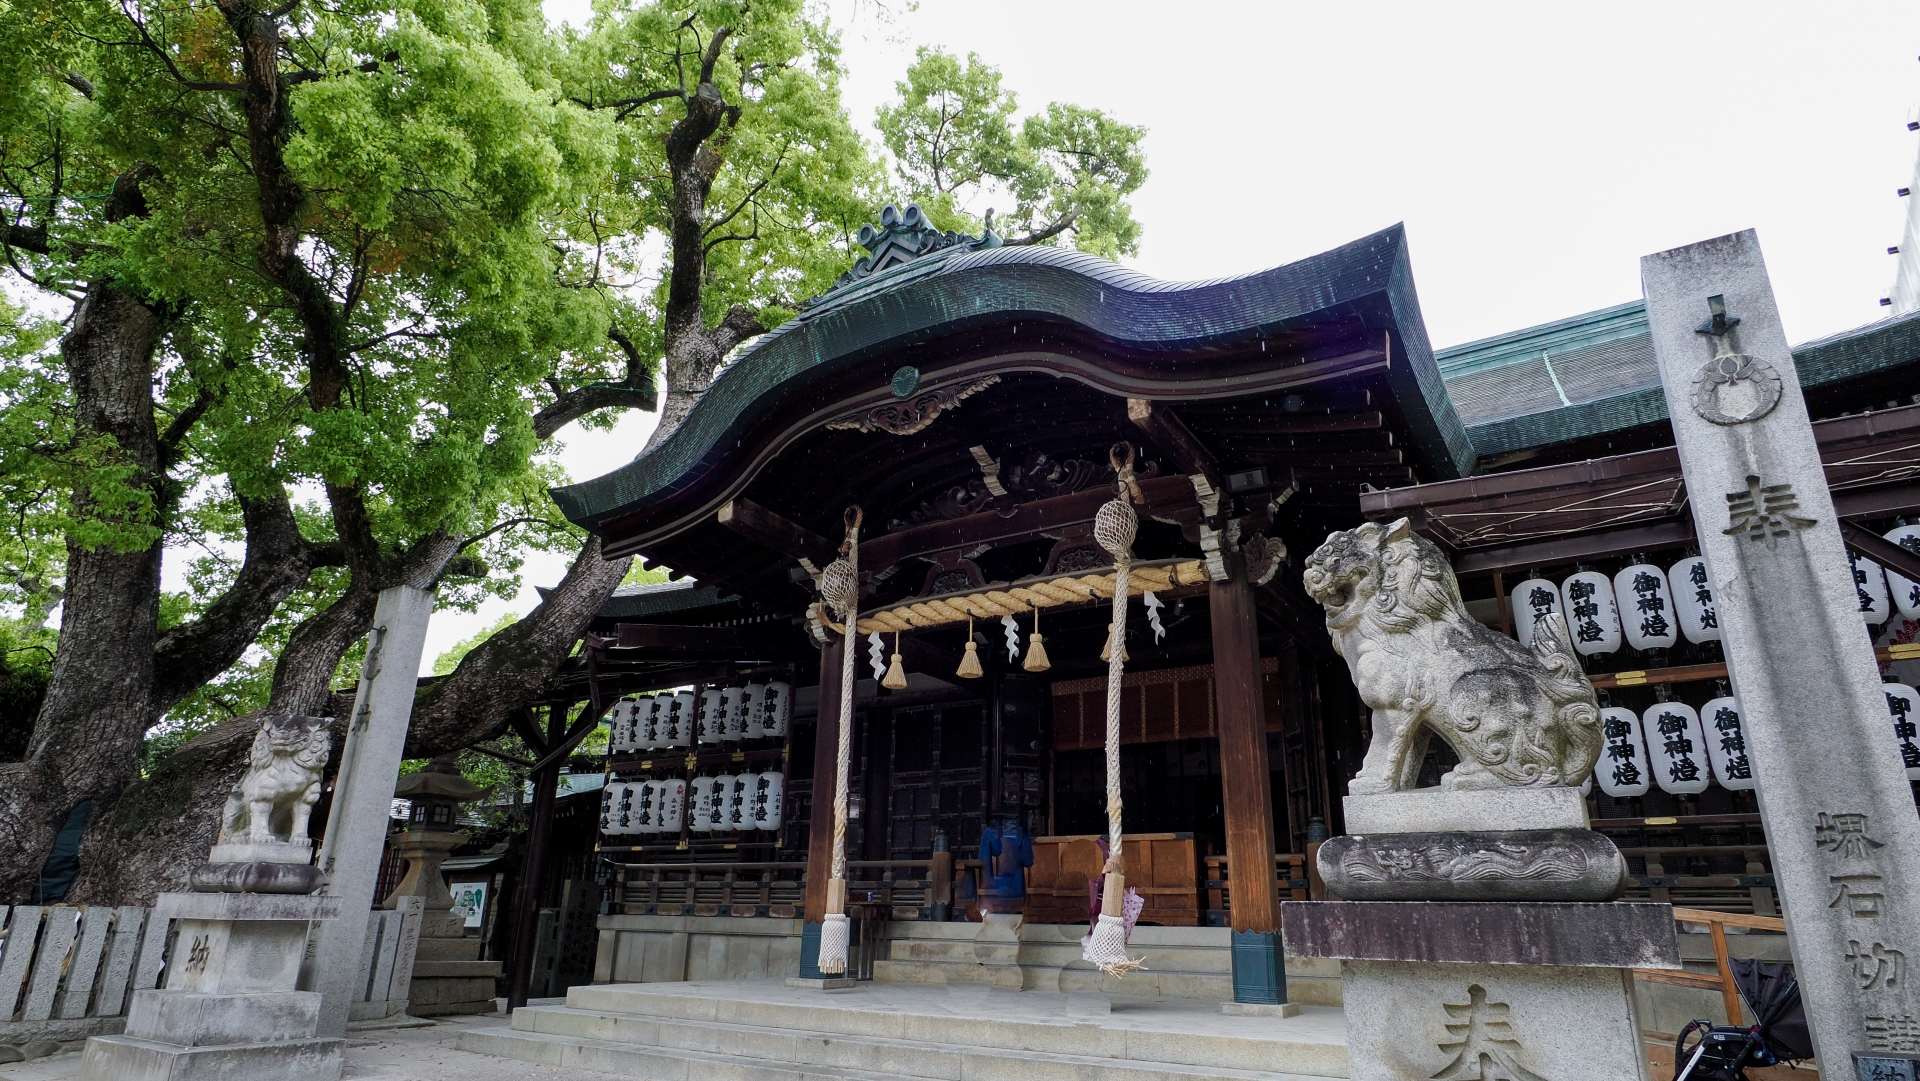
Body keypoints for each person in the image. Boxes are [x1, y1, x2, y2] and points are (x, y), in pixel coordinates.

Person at [977, 817, 1034, 914]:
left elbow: (983, 860)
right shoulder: (1022, 833)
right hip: (1016, 891)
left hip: (993, 892)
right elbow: (1029, 861)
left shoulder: (990, 832)